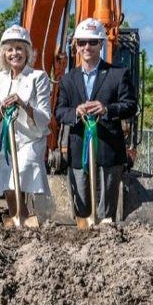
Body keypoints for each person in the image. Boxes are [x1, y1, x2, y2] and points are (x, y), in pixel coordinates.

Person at [54, 17, 136, 222]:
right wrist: (76, 112)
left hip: (108, 148)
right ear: (76, 46)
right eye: (82, 42)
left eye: (92, 42)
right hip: (79, 148)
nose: (87, 47)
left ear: (101, 44)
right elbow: (60, 111)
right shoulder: (68, 79)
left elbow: (130, 106)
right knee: (81, 204)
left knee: (106, 210)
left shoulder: (118, 74)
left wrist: (106, 109)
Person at [0, 25, 51, 216]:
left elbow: (45, 116)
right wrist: (1, 110)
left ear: (27, 52)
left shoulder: (38, 77)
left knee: (21, 172)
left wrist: (23, 105)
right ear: (4, 54)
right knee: (7, 179)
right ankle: (18, 216)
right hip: (7, 140)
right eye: (10, 49)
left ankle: (30, 215)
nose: (15, 53)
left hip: (30, 139)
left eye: (19, 48)